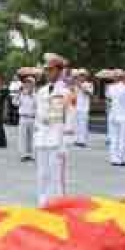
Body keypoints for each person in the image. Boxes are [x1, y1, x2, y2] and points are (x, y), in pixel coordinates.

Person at [34, 53, 75, 207]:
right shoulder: (42, 91)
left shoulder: (67, 92)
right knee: (42, 175)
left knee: (56, 177)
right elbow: (38, 115)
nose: (47, 73)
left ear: (59, 71)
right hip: (42, 139)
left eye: (50, 70)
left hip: (57, 139)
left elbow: (70, 118)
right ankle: (42, 205)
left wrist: (65, 143)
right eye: (46, 70)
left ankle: (58, 207)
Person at [107, 72, 125, 167]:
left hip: (113, 115)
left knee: (114, 138)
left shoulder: (111, 87)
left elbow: (109, 98)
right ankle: (122, 158)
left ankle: (114, 158)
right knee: (123, 139)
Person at [17, 77, 36, 162]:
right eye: (26, 83)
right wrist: (20, 94)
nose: (28, 85)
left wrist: (31, 95)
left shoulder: (36, 94)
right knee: (23, 137)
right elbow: (15, 103)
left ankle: (31, 154)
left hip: (32, 118)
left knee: (32, 137)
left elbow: (38, 105)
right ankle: (23, 154)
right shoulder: (21, 94)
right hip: (23, 117)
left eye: (30, 83)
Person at [73, 70, 93, 147]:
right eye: (80, 75)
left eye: (82, 75)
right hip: (77, 107)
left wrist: (81, 86)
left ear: (85, 76)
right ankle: (77, 140)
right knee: (77, 124)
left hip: (84, 108)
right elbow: (74, 95)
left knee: (83, 124)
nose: (81, 77)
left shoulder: (89, 84)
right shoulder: (76, 85)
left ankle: (83, 141)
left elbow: (89, 93)